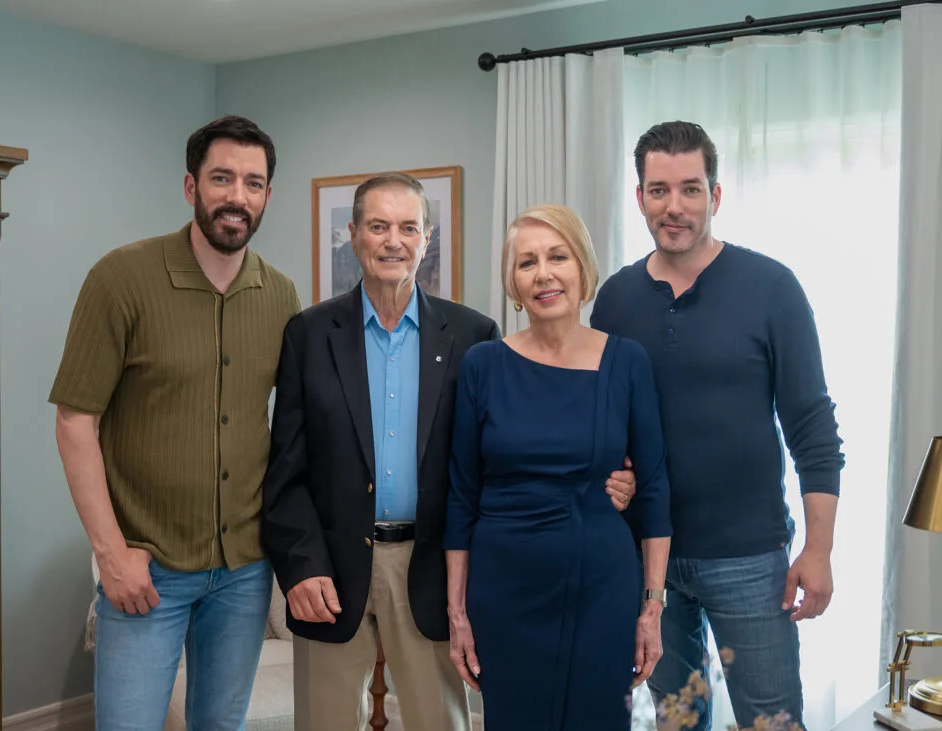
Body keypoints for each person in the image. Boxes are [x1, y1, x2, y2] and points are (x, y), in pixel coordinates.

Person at [592, 120, 845, 730]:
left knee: (772, 722)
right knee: (675, 720)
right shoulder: (615, 299)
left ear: (716, 194)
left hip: (751, 559)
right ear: (640, 197)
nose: (673, 206)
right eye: (658, 190)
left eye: (690, 189)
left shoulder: (771, 287)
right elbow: (599, 420)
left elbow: (812, 425)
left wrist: (819, 548)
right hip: (648, 555)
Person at [49, 115, 300, 729]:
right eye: (221, 179)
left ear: (268, 195)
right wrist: (111, 555)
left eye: (253, 183)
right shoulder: (121, 279)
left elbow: (295, 435)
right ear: (191, 187)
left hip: (244, 571)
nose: (237, 197)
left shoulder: (282, 296)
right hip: (145, 570)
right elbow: (75, 420)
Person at [261, 171, 500, 731]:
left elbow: (492, 465)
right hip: (330, 568)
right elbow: (285, 469)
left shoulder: (473, 337)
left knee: (440, 722)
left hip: (430, 566)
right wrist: (300, 565)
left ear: (426, 237)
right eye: (378, 226)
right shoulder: (308, 334)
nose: (393, 240)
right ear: (353, 234)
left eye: (408, 227)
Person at [443, 204, 672, 731]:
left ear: (582, 268)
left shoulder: (627, 362)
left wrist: (651, 607)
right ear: (513, 281)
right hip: (504, 596)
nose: (543, 274)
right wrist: (457, 612)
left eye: (557, 257)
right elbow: (461, 494)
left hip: (603, 592)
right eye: (527, 262)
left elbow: (655, 489)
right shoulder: (482, 364)